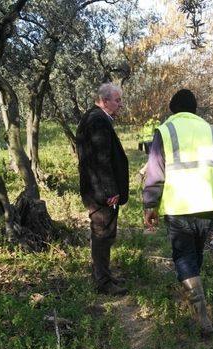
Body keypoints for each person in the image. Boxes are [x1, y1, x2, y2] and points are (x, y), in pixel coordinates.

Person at [143, 89, 213, 336]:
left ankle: (202, 317)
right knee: (196, 253)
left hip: (179, 205)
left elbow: (155, 171)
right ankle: (194, 295)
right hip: (208, 205)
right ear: (195, 109)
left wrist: (150, 204)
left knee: (184, 257)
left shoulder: (166, 131)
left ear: (173, 110)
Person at [76, 83, 129, 296]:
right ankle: (103, 282)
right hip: (101, 192)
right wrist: (110, 192)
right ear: (104, 101)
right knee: (103, 233)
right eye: (117, 100)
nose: (120, 104)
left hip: (95, 189)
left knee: (103, 232)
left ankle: (102, 274)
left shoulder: (93, 117)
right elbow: (101, 160)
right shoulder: (98, 121)